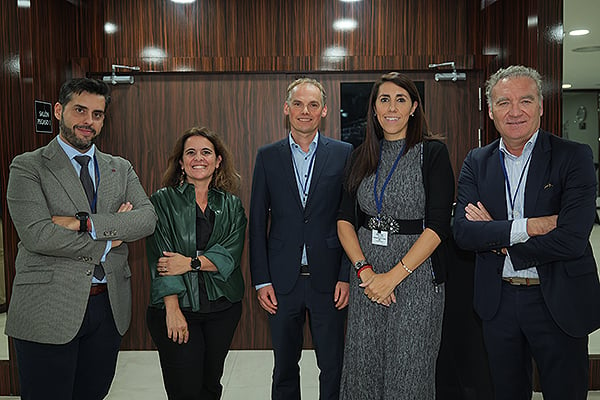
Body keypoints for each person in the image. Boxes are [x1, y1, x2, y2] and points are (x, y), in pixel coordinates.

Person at [453, 65, 600, 400]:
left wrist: (498, 238)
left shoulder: (573, 156)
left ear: (541, 106)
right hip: (498, 302)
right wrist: (530, 227)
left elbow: (572, 237)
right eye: (504, 102)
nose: (515, 111)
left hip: (558, 300)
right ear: (490, 111)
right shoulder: (477, 161)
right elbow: (462, 233)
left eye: (526, 101)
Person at [5, 78, 157, 400]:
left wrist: (84, 223)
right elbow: (38, 234)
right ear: (59, 111)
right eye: (80, 110)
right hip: (48, 308)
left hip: (107, 307)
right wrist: (111, 237)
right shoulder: (28, 166)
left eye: (98, 114)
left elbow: (146, 219)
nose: (89, 121)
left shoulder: (120, 168)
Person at [336, 72, 455, 399]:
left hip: (416, 277)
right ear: (374, 109)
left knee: (410, 368)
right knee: (364, 365)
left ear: (414, 107)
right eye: (384, 100)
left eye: (401, 99)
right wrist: (367, 272)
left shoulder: (432, 153)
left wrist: (393, 277)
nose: (392, 107)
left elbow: (438, 226)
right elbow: (345, 220)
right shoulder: (360, 155)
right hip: (367, 277)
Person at [249, 77, 353, 400]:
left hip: (329, 281)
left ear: (324, 110)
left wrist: (346, 276)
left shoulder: (343, 153)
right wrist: (261, 280)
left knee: (333, 366)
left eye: (312, 105)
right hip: (281, 282)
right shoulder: (267, 156)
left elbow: (349, 219)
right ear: (286, 108)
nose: (304, 111)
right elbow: (256, 222)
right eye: (297, 104)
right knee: (284, 368)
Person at [146, 126, 247, 400]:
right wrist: (172, 309)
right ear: (181, 162)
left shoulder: (232, 205)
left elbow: (229, 257)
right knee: (184, 389)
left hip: (223, 310)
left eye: (206, 152)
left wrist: (189, 263)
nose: (198, 158)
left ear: (218, 161)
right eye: (190, 152)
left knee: (211, 385)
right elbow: (162, 261)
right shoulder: (162, 201)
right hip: (178, 308)